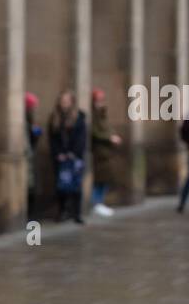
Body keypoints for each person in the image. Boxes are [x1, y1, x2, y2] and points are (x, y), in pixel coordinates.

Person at [47, 89, 87, 224]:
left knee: (76, 186)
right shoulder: (54, 117)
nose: (64, 103)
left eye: (66, 101)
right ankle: (62, 211)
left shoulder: (79, 117)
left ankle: (76, 213)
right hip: (60, 157)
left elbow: (81, 138)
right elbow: (52, 138)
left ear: (71, 102)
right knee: (61, 186)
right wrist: (58, 153)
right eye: (62, 101)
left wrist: (72, 153)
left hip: (75, 157)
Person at [89, 88, 122, 217]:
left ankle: (99, 202)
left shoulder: (102, 114)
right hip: (99, 153)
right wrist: (109, 138)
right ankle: (96, 203)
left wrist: (113, 136)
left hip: (106, 153)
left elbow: (108, 128)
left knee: (105, 179)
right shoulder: (94, 115)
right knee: (99, 179)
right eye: (98, 100)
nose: (100, 102)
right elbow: (95, 132)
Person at [24, 92, 41, 221]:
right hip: (26, 155)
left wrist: (37, 133)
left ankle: (31, 214)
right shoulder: (24, 120)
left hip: (29, 154)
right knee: (29, 185)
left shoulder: (30, 120)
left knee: (31, 185)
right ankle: (29, 214)